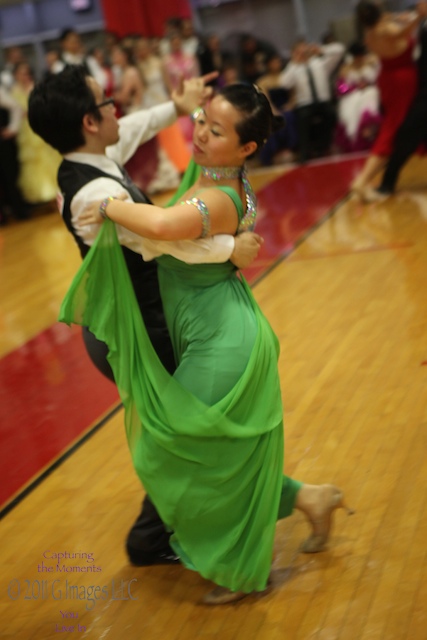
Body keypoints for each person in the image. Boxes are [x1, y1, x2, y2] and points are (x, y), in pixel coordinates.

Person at [62, 84, 353, 605]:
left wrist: (107, 204)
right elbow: (174, 217)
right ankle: (311, 498)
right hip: (216, 327)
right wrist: (227, 248)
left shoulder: (215, 193)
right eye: (200, 120)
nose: (198, 133)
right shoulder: (215, 173)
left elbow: (161, 224)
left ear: (246, 148)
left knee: (180, 452)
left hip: (223, 341)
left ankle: (241, 569)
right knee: (205, 453)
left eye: (216, 130)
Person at [28, 65, 263, 568]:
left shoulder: (93, 155)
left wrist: (176, 109)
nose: (118, 108)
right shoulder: (92, 195)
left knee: (183, 431)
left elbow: (130, 129)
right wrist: (229, 248)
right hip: (130, 329)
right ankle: (151, 539)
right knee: (177, 435)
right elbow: (161, 238)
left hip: (140, 318)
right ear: (91, 121)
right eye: (107, 101)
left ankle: (288, 500)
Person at [350, 1, 420, 199]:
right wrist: (419, 16)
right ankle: (362, 180)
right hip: (402, 80)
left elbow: (394, 26)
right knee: (394, 128)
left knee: (397, 125)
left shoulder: (370, 33)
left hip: (389, 80)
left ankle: (364, 179)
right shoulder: (385, 30)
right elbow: (400, 33)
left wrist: (403, 18)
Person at [277, 40, 345, 163]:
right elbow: (284, 83)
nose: (303, 52)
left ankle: (323, 147)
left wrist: (321, 50)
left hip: (323, 102)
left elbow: (339, 50)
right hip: (305, 104)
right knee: (303, 119)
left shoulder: (320, 63)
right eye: (299, 51)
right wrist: (294, 62)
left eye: (304, 49)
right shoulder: (295, 68)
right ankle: (304, 153)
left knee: (331, 114)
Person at [335, 42, 381, 153]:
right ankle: (356, 136)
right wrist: (354, 87)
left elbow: (378, 80)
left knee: (369, 97)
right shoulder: (345, 69)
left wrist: (367, 84)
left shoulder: (371, 64)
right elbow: (340, 88)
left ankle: (368, 131)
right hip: (352, 95)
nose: (359, 58)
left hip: (370, 91)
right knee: (351, 107)